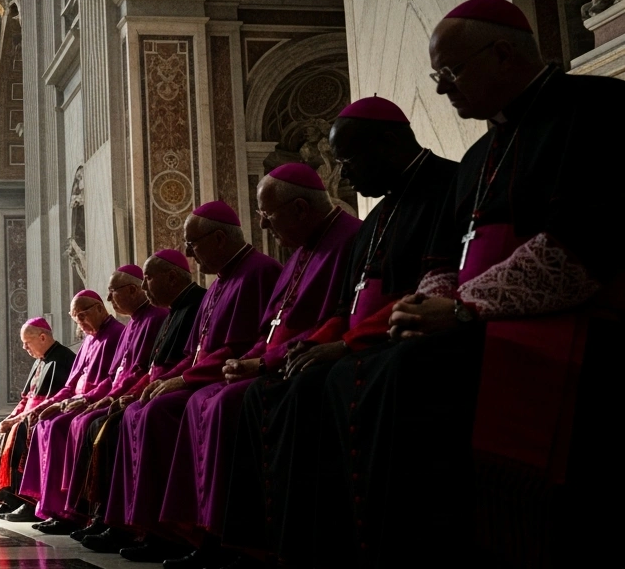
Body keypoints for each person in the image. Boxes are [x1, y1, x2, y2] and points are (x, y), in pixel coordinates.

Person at [330, 0, 624, 566]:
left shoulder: (596, 108)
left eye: (450, 72)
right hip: (481, 319)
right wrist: (428, 306)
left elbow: (584, 243)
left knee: (411, 371)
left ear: (504, 54)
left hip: (577, 317)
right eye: (436, 77)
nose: (442, 89)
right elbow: (446, 259)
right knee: (368, 368)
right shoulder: (477, 155)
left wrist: (463, 309)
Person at [221, 97, 458, 566]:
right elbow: (343, 308)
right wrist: (314, 344)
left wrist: (344, 345)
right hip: (361, 341)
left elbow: (425, 291)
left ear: (385, 144)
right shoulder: (376, 220)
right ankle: (277, 545)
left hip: (403, 338)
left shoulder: (446, 186)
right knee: (269, 390)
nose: (343, 176)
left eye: (348, 160)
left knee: (309, 385)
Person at [157, 164, 361, 568]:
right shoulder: (297, 254)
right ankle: (201, 535)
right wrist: (249, 359)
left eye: (267, 215)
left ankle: (242, 543)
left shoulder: (346, 240)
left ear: (300, 208)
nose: (264, 226)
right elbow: (267, 329)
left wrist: (258, 361)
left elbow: (338, 318)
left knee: (222, 402)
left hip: (305, 362)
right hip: (274, 362)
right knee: (202, 401)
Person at [113, 202, 282, 563]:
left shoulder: (260, 271)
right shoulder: (217, 284)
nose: (189, 254)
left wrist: (183, 380)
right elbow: (194, 354)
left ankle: (211, 537)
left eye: (193, 244)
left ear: (219, 238)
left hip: (234, 374)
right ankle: (157, 529)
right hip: (208, 376)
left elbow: (241, 346)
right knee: (140, 410)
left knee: (165, 410)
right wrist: (169, 379)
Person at [80, 249, 207, 553]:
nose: (145, 287)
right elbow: (146, 369)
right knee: (108, 420)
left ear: (171, 278)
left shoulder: (170, 311)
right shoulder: (168, 311)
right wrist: (124, 394)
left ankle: (156, 530)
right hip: (158, 386)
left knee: (124, 419)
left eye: (147, 279)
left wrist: (137, 391)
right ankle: (113, 519)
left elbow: (188, 360)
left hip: (186, 385)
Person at [58, 265, 171, 534]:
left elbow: (144, 370)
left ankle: (107, 516)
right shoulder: (131, 324)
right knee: (85, 422)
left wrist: (107, 398)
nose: (109, 299)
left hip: (136, 394)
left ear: (132, 290)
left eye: (112, 293)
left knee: (98, 427)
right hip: (116, 396)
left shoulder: (155, 318)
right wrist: (102, 397)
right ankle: (84, 512)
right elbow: (113, 375)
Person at [17, 291, 126, 529]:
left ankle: (72, 512)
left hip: (96, 401)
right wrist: (49, 404)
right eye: (76, 318)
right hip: (76, 402)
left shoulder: (117, 333)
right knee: (43, 423)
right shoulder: (87, 340)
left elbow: (113, 379)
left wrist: (86, 398)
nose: (80, 323)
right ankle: (51, 507)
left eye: (82, 316)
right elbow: (69, 385)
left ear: (99, 308)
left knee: (58, 426)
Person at [0, 317, 77, 521]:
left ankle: (29, 503)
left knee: (19, 431)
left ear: (42, 337)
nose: (24, 348)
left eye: (27, 342)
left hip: (45, 414)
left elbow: (56, 398)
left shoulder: (64, 358)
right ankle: (10, 499)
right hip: (26, 414)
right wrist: (11, 417)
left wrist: (17, 420)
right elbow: (25, 398)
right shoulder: (39, 361)